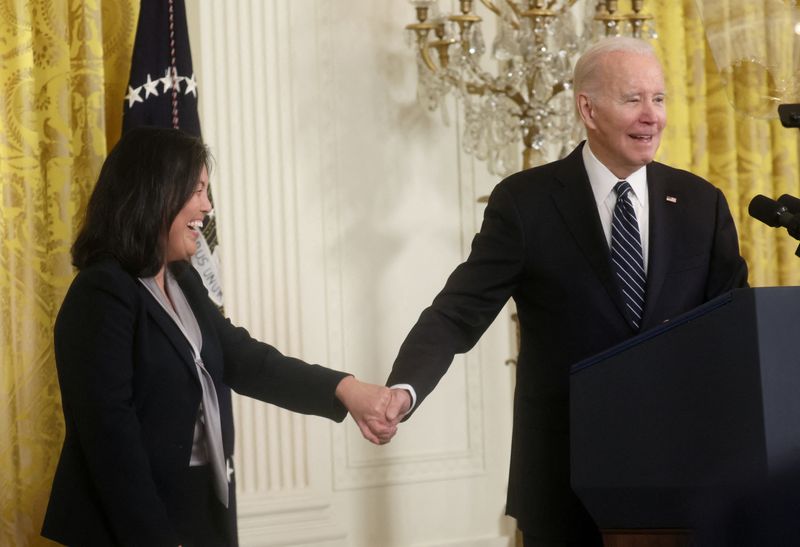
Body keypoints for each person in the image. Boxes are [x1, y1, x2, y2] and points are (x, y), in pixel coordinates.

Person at [376, 37, 749, 546]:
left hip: (679, 476)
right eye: (632, 99)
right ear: (588, 108)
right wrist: (405, 387)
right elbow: (457, 312)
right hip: (565, 481)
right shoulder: (525, 203)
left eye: (658, 99)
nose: (652, 116)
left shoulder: (701, 203)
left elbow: (733, 327)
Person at [41, 127, 396, 547]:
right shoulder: (103, 292)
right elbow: (111, 439)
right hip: (127, 522)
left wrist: (344, 389)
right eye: (197, 190)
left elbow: (244, 359)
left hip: (199, 505)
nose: (207, 207)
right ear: (154, 192)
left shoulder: (181, 281)